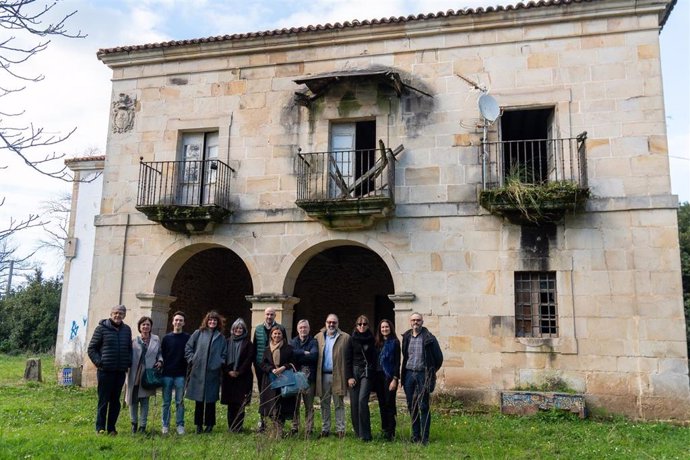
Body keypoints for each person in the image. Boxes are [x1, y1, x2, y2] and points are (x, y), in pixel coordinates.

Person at [87, 304, 133, 435]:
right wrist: (99, 362)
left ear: (124, 315)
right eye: (116, 313)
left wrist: (128, 362)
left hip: (120, 371)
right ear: (111, 314)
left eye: (121, 313)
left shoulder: (127, 330)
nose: (118, 315)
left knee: (115, 401)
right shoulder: (101, 329)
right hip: (105, 371)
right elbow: (92, 348)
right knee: (103, 400)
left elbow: (129, 348)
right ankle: (100, 428)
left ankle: (112, 428)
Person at [401, 312, 443, 445]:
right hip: (408, 374)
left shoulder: (429, 338)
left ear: (422, 322)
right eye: (413, 320)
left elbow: (439, 358)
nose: (416, 322)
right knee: (411, 406)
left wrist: (430, 372)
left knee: (423, 406)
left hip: (422, 375)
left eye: (418, 320)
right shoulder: (406, 337)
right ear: (410, 322)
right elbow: (405, 355)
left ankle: (425, 437)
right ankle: (415, 435)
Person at [185, 310, 227, 434]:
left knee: (210, 400)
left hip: (212, 372)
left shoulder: (221, 337)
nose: (212, 322)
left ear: (217, 322)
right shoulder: (198, 333)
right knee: (199, 400)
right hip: (198, 370)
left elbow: (224, 354)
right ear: (206, 321)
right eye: (210, 320)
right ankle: (198, 425)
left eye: (214, 320)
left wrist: (219, 362)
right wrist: (192, 359)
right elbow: (188, 347)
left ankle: (209, 425)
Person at [315, 313, 352, 439]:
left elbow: (350, 358)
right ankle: (325, 429)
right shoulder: (319, 337)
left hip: (338, 375)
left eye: (334, 322)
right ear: (325, 323)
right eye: (329, 322)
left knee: (339, 403)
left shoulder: (345, 337)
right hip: (323, 375)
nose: (331, 324)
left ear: (338, 324)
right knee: (324, 403)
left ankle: (340, 429)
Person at [126, 316, 162, 433]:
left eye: (148, 324)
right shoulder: (134, 341)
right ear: (139, 327)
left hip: (148, 373)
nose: (145, 327)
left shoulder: (156, 339)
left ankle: (143, 426)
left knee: (145, 400)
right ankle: (134, 423)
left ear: (151, 327)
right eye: (143, 325)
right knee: (133, 399)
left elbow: (160, 353)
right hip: (135, 374)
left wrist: (160, 361)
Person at [253, 307, 286, 432]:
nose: (269, 316)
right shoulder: (258, 329)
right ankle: (263, 421)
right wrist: (256, 364)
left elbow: (285, 345)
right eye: (267, 314)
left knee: (277, 394)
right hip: (262, 367)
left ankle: (277, 422)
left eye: (272, 314)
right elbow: (255, 346)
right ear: (264, 315)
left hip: (277, 368)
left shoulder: (280, 329)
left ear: (275, 315)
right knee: (263, 394)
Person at [259, 325, 296, 438]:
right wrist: (272, 369)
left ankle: (279, 431)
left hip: (284, 380)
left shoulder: (288, 348)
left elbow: (292, 362)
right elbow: (262, 364)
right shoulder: (267, 349)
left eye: (279, 333)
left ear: (282, 335)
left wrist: (283, 367)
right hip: (270, 381)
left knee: (282, 406)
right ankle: (273, 430)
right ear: (271, 335)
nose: (277, 335)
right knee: (270, 406)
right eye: (275, 333)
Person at [221, 318, 254, 433]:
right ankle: (231, 427)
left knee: (240, 403)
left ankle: (238, 427)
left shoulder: (248, 343)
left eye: (241, 328)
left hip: (242, 377)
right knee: (231, 403)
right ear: (233, 329)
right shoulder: (226, 341)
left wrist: (239, 372)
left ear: (244, 330)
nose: (238, 330)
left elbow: (249, 359)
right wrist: (228, 371)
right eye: (236, 328)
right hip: (229, 376)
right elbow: (222, 357)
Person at [161, 311, 190, 435]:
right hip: (167, 374)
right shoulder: (166, 338)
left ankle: (180, 425)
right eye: (176, 320)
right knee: (166, 402)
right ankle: (165, 425)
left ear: (184, 323)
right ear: (172, 322)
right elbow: (162, 355)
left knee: (180, 402)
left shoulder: (187, 338)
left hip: (180, 374)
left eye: (180, 320)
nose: (178, 322)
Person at [349, 315, 376, 442]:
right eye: (359, 324)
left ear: (368, 325)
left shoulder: (372, 339)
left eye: (364, 324)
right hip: (354, 371)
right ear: (356, 325)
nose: (362, 326)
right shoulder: (352, 339)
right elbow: (347, 358)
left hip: (366, 372)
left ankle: (366, 434)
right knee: (354, 403)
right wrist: (349, 377)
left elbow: (375, 358)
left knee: (362, 401)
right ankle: (358, 432)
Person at [289, 319, 317, 437]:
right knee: (295, 404)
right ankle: (294, 427)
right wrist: (304, 352)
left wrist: (298, 355)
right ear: (297, 329)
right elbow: (290, 355)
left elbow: (314, 356)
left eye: (305, 327)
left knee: (308, 405)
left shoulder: (313, 341)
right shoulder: (293, 341)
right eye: (301, 328)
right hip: (295, 378)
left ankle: (309, 429)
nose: (303, 330)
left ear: (309, 329)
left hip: (308, 378)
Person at [374, 318, 401, 441]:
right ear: (380, 330)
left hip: (389, 377)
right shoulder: (377, 343)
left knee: (389, 404)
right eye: (382, 327)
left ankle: (391, 432)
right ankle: (384, 429)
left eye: (387, 327)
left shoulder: (395, 342)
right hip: (378, 377)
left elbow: (397, 362)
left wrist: (395, 379)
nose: (385, 329)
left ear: (390, 328)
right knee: (381, 404)